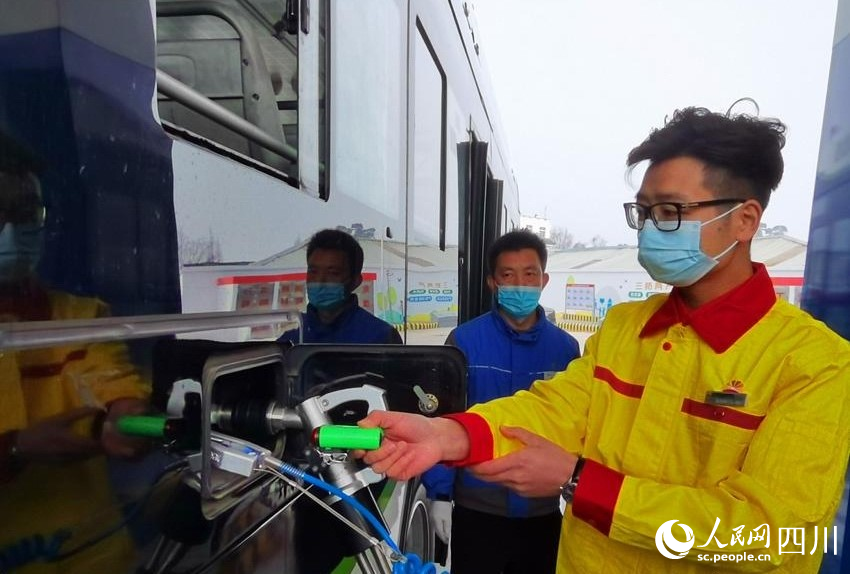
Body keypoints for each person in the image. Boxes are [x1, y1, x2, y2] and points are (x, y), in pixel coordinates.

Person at [358, 107, 850, 573]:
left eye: (671, 211)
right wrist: (449, 436)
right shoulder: (625, 328)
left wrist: (578, 480)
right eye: (644, 212)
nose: (651, 230)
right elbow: (555, 410)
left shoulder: (815, 363)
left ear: (744, 219)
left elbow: (773, 534)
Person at [0, 134, 150, 573]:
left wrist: (127, 419)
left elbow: (117, 386)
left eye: (27, 212)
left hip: (96, 558)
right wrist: (16, 449)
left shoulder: (80, 317)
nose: (12, 229)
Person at [422, 229, 580, 572]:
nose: (520, 284)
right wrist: (439, 493)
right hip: (477, 510)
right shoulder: (464, 341)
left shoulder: (566, 349)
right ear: (492, 283)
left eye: (530, 274)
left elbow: (575, 423)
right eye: (508, 275)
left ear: (544, 280)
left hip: (542, 511)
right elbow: (444, 418)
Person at [278, 228, 402, 344]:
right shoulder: (292, 338)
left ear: (355, 281)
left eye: (333, 273)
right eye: (313, 272)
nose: (320, 281)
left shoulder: (381, 338)